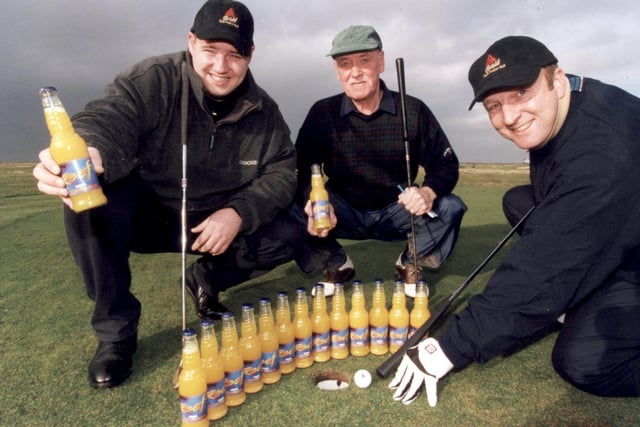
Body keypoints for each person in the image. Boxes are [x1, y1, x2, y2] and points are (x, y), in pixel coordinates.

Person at [32, 0, 303, 389]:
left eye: (234, 55)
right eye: (210, 50)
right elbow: (109, 117)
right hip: (150, 216)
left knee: (291, 231)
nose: (221, 67)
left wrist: (238, 213)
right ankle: (116, 333)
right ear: (191, 42)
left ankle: (205, 278)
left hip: (213, 226)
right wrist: (90, 150)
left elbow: (282, 172)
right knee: (87, 199)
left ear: (251, 55)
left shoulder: (265, 111)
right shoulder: (153, 79)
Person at [390, 35, 640, 407]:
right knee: (520, 202)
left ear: (556, 81)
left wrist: (449, 348)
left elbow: (542, 267)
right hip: (624, 222)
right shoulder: (569, 107)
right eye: (494, 105)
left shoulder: (598, 156)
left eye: (521, 93)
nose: (508, 117)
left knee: (585, 360)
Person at [293, 25, 467, 297]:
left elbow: (446, 163)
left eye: (365, 60)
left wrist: (427, 191)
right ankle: (336, 263)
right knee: (289, 206)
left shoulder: (413, 109)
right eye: (345, 64)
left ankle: (409, 262)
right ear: (337, 70)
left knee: (450, 207)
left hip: (397, 210)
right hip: (342, 211)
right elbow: (302, 169)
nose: (355, 71)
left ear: (381, 62)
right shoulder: (322, 112)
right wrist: (312, 200)